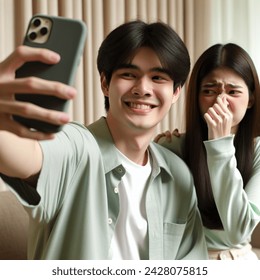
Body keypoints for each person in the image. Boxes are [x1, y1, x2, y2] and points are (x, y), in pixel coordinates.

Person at [0, 20, 207, 260]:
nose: (143, 88)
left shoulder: (178, 174)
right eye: (129, 74)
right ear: (105, 83)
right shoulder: (78, 147)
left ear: (176, 92)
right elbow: (26, 156)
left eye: (158, 78)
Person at [156, 43, 260, 260]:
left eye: (233, 91)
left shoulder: (258, 151)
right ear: (197, 97)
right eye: (210, 91)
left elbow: (238, 231)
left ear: (250, 99)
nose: (221, 100)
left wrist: (220, 145)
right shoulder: (171, 147)